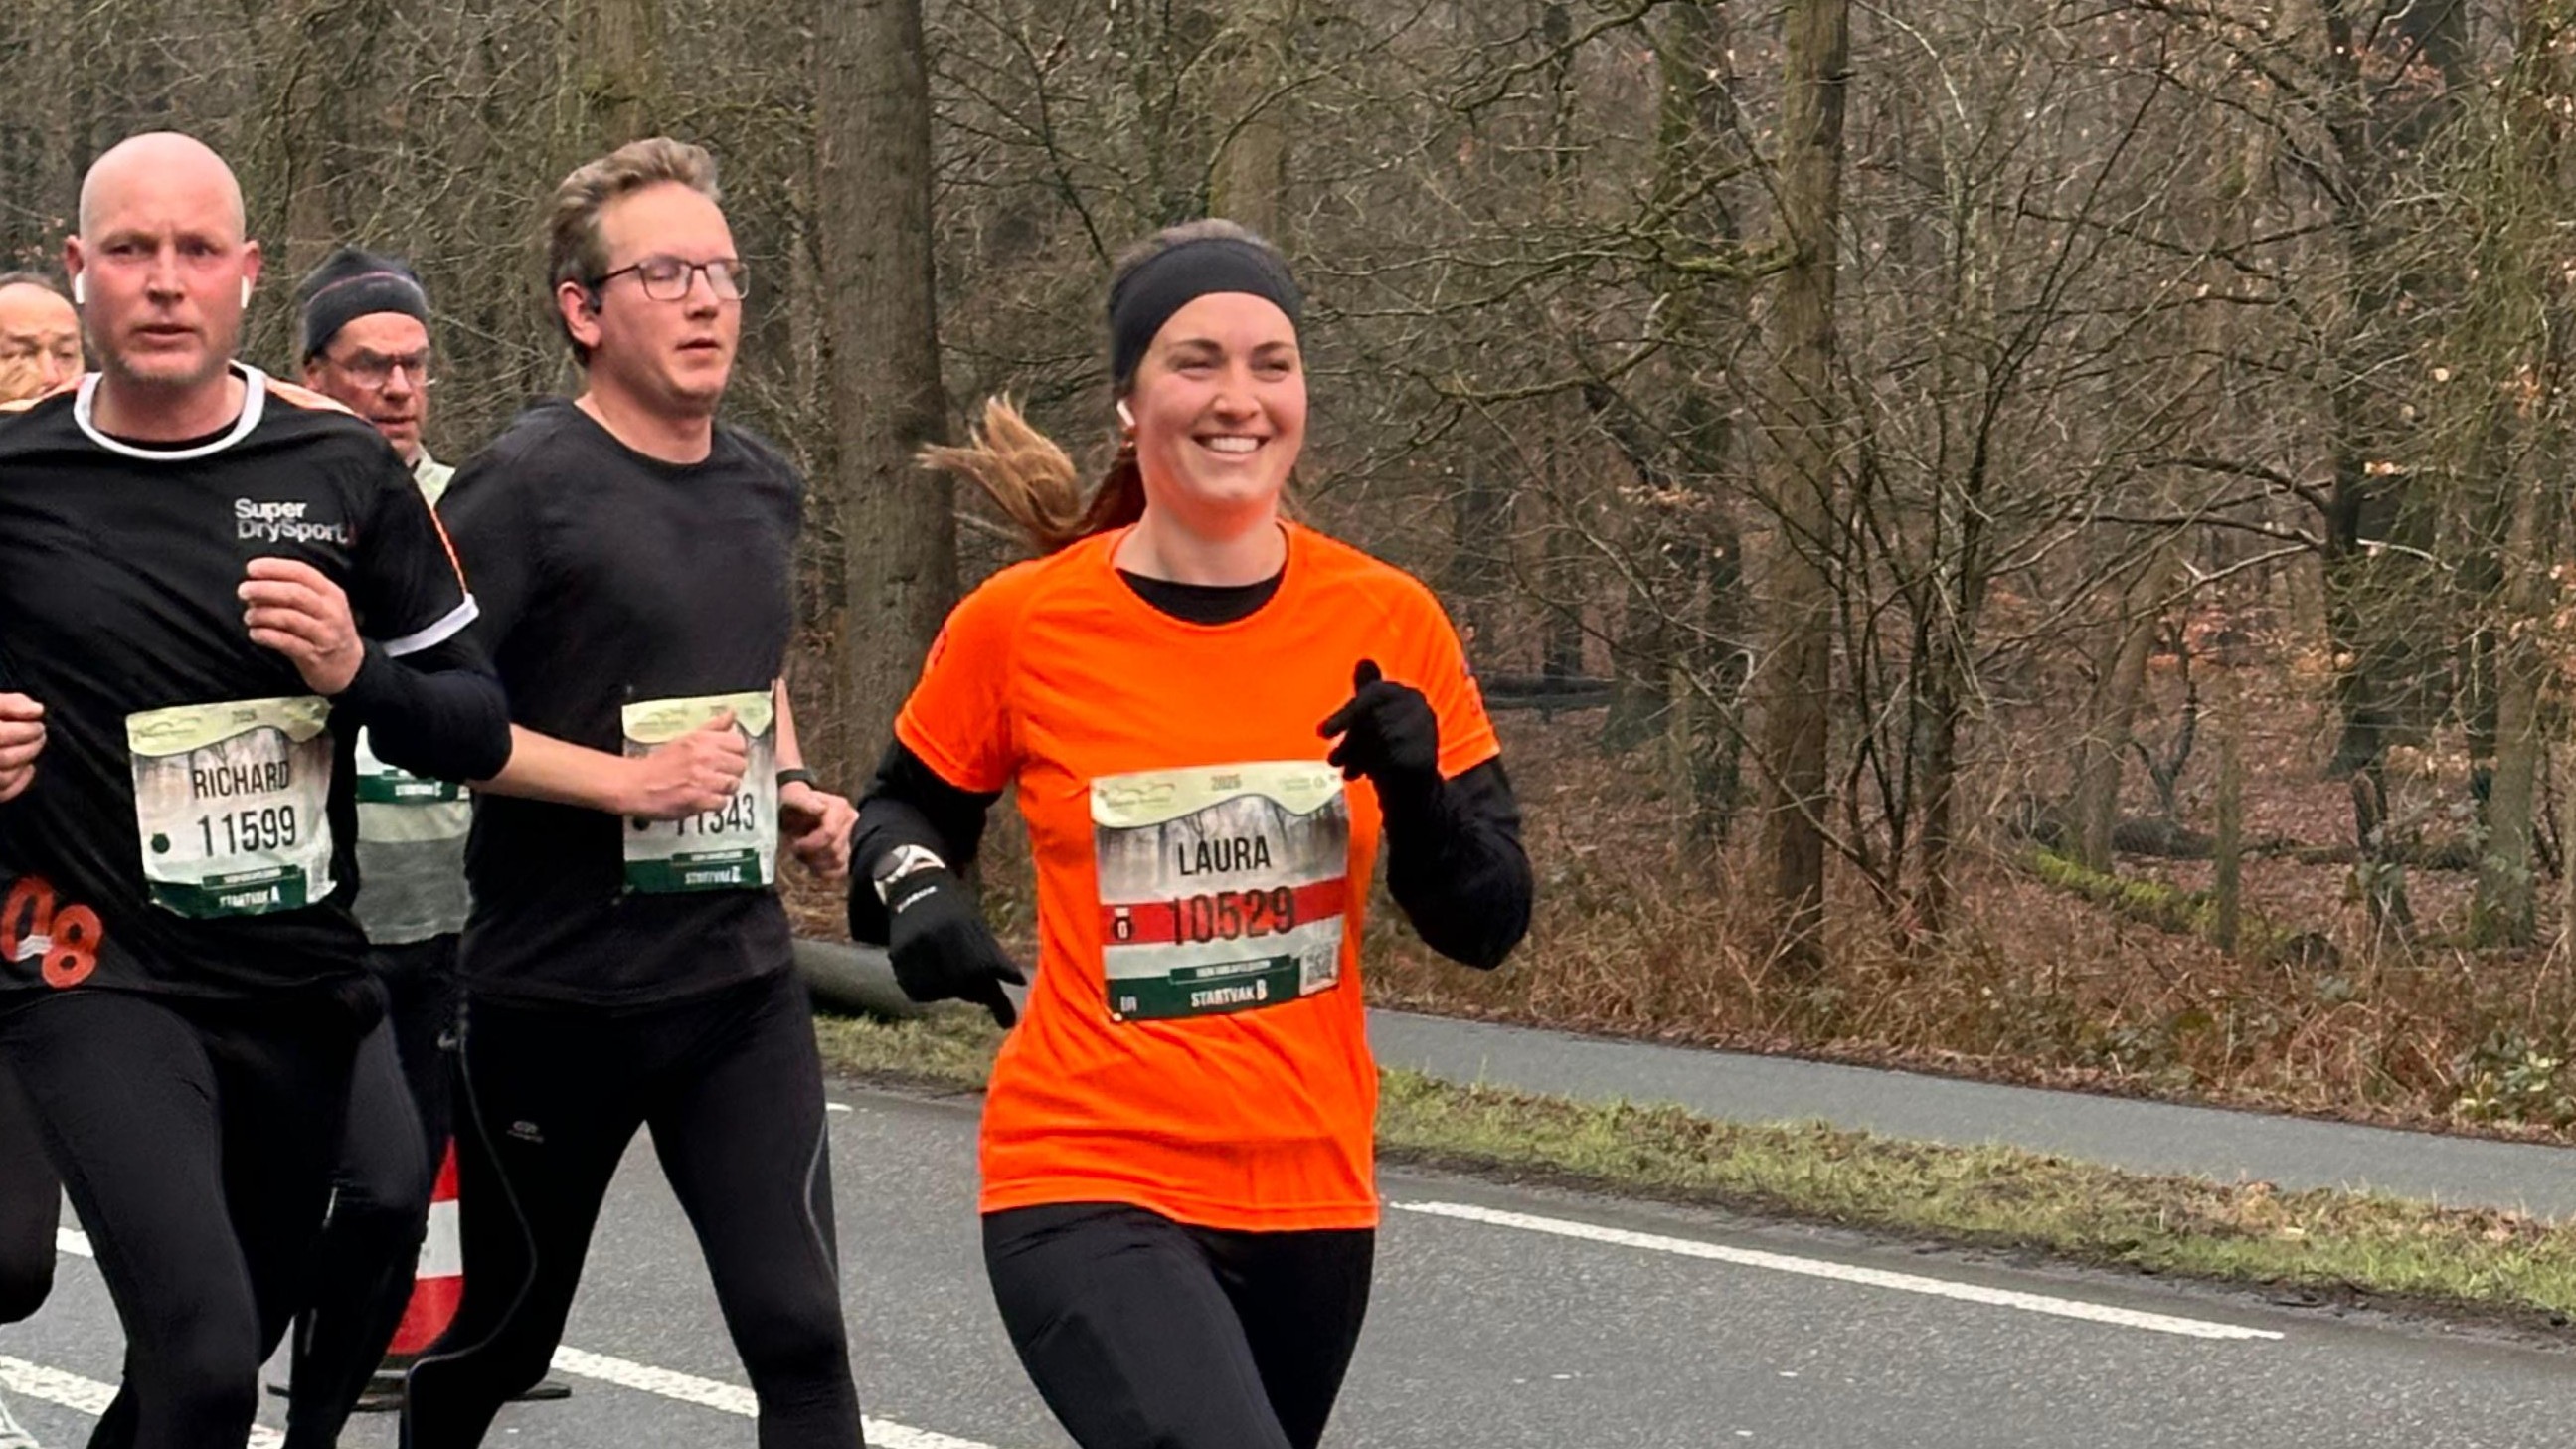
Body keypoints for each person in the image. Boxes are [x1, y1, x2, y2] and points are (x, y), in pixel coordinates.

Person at [845, 219, 1534, 1449]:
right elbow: (900, 810)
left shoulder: (1388, 618)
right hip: (1084, 1168)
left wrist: (1420, 794)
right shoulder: (1024, 623)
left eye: (1271, 363)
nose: (1238, 398)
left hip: (1309, 1184)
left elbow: (1487, 923)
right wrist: (913, 887)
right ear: (1128, 401)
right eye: (1195, 360)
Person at [0, 131, 511, 1449]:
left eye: (191, 252)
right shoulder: (13, 476)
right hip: (88, 971)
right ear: (79, 273)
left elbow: (474, 724)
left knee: (200, 1382)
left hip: (294, 982)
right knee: (209, 1357)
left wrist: (355, 670)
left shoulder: (340, 468)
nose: (162, 282)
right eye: (128, 251)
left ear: (244, 275)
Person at [403, 137, 863, 1449]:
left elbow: (748, 668)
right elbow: (436, 721)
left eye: (720, 271)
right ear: (584, 309)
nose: (709, 299)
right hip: (556, 994)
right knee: (503, 1338)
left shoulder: (763, 483)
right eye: (667, 273)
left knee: (801, 1332)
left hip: (732, 987)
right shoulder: (525, 487)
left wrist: (791, 785)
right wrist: (624, 784)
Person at [0, 268, 81, 1449]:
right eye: (16, 351)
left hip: (50, 925)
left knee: (17, 1259)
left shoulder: (116, 517)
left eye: (67, 351)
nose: (45, 376)